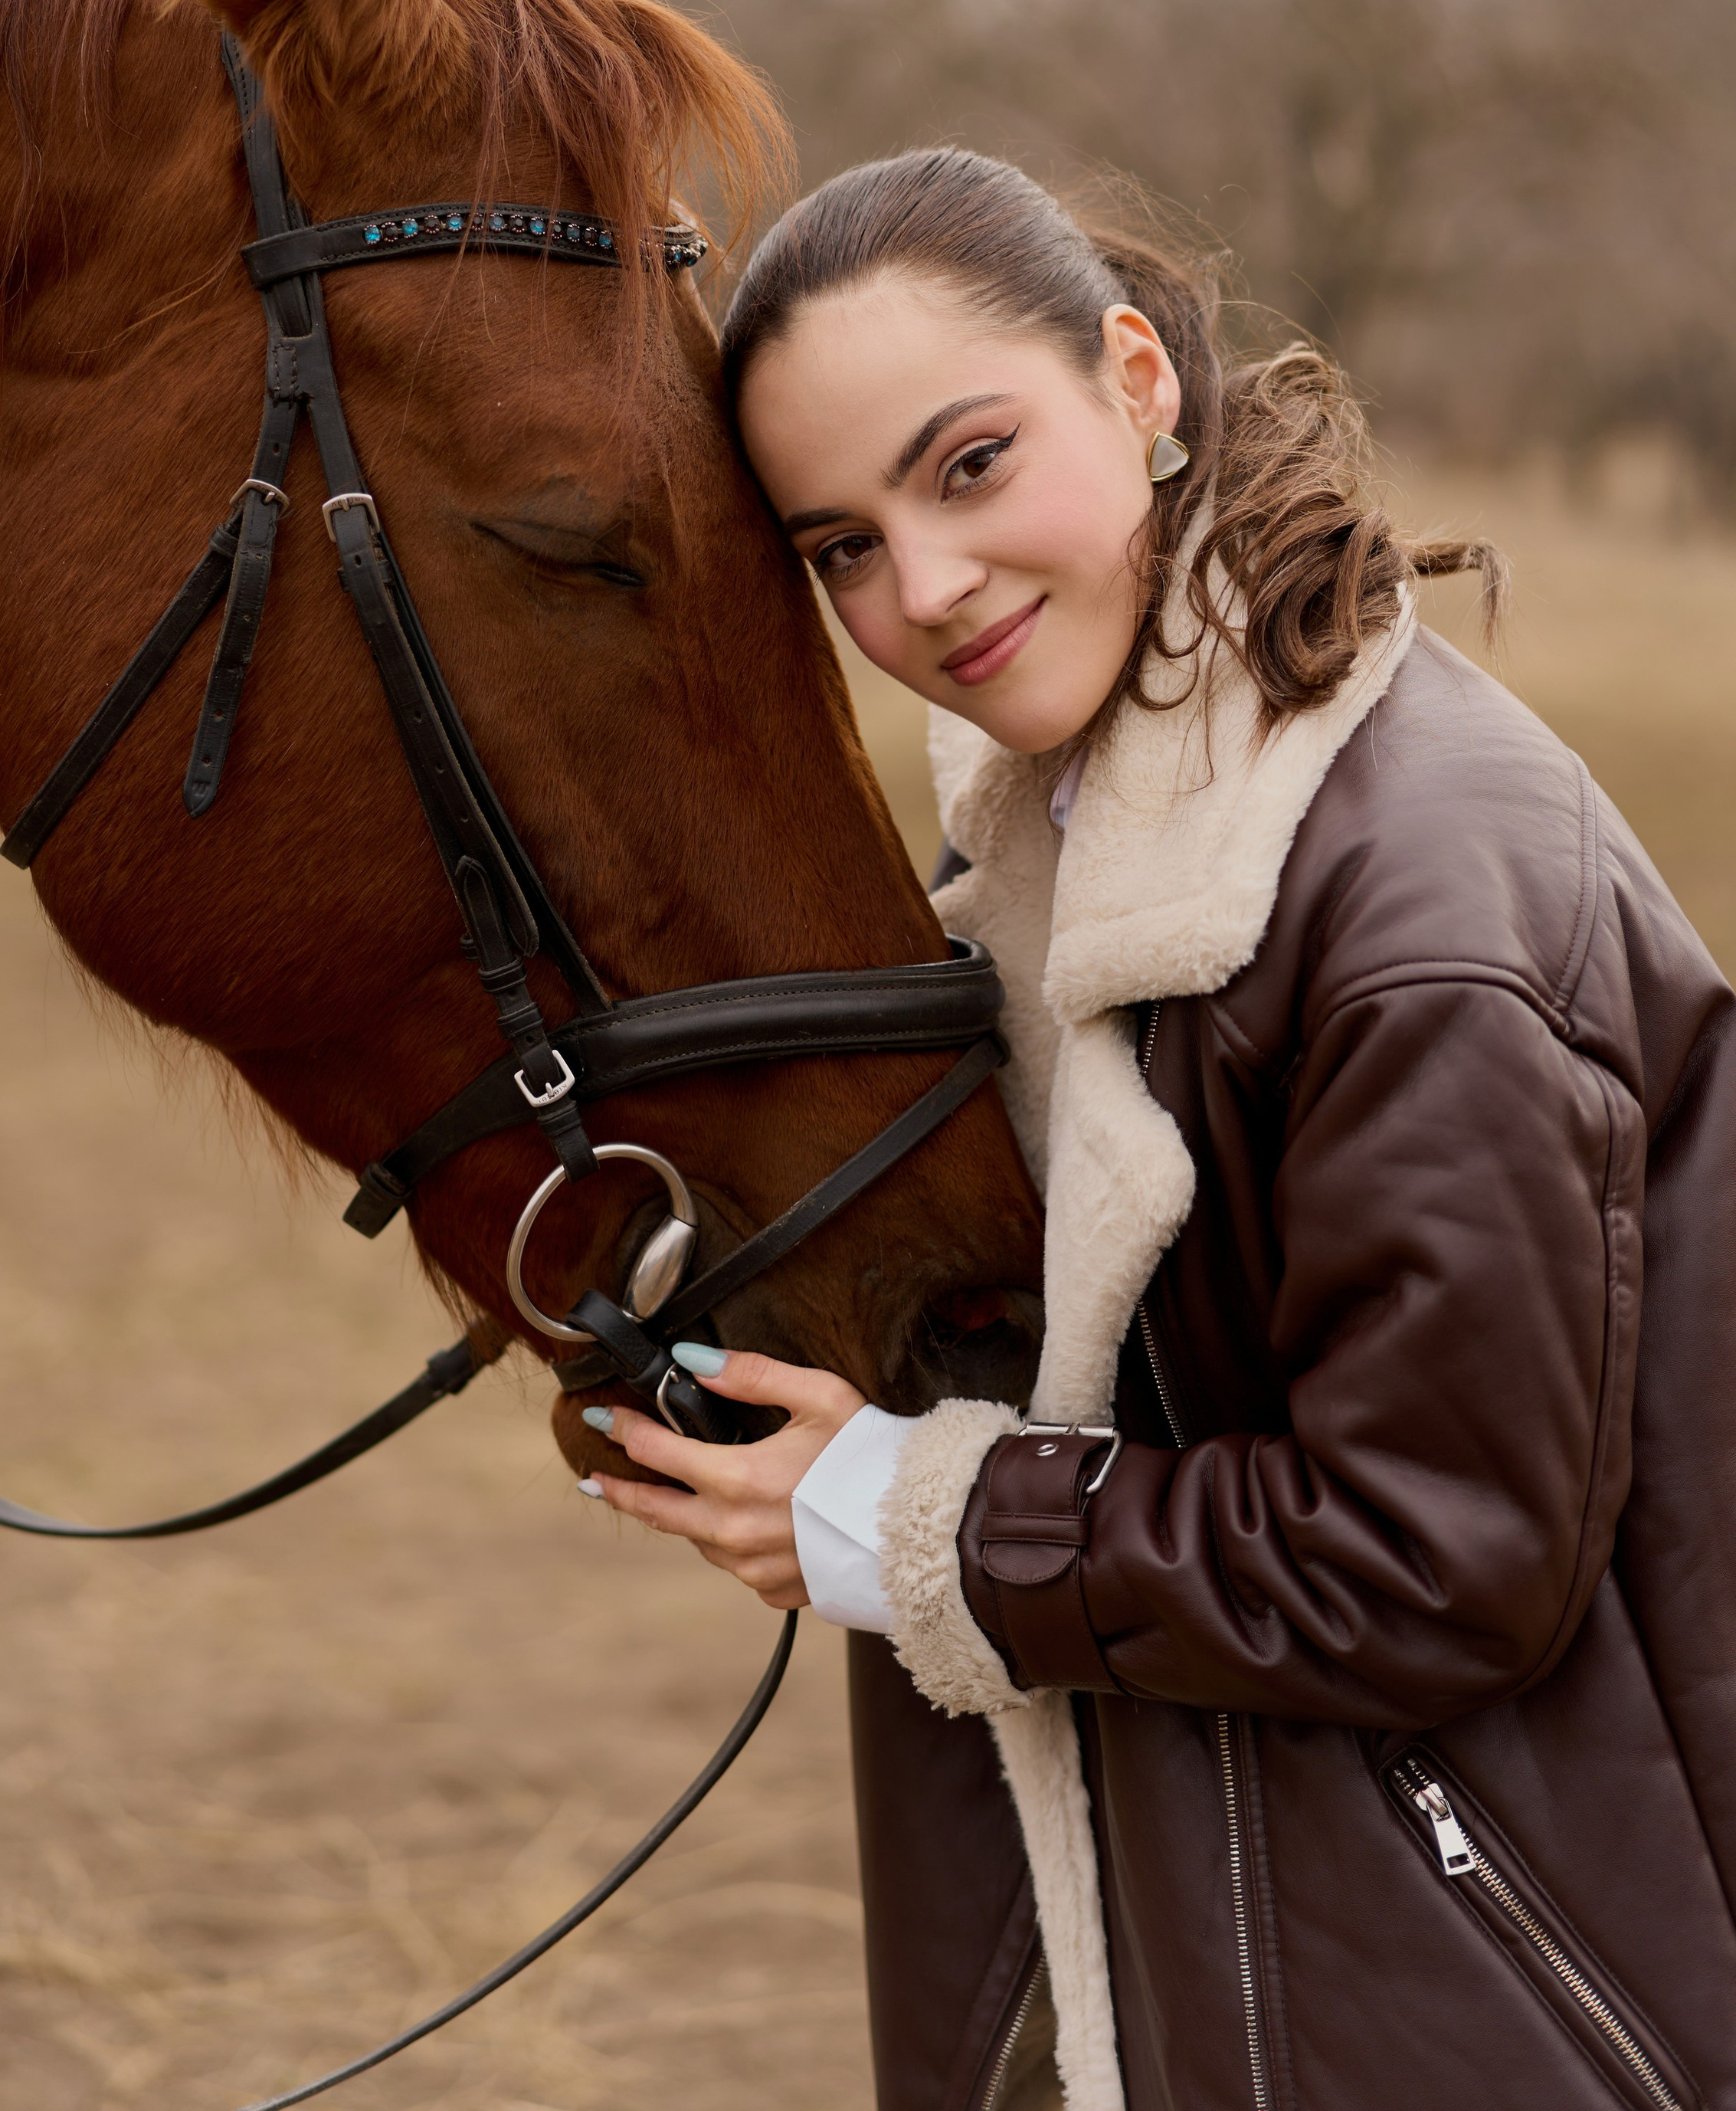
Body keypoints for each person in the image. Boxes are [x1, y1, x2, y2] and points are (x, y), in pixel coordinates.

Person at [575, 147, 1736, 2111]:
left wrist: (905, 1520)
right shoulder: (1049, 850)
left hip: (1514, 1991)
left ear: (1135, 378)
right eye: (836, 545)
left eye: (965, 465)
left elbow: (1429, 1554)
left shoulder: (1418, 909)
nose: (921, 592)